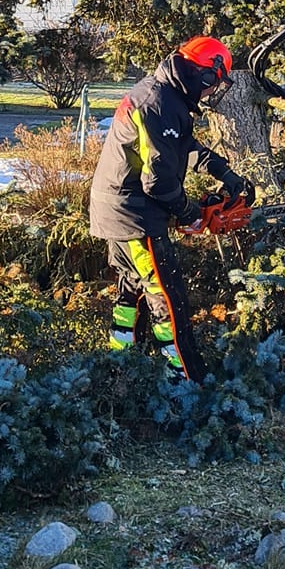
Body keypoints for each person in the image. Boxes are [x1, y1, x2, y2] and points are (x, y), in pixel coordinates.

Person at [88, 36, 253, 382]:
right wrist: (191, 212)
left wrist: (224, 173)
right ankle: (183, 378)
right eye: (214, 85)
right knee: (167, 296)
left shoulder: (164, 94)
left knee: (132, 285)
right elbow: (158, 183)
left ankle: (122, 364)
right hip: (134, 214)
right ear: (204, 76)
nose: (212, 93)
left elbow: (185, 147)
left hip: (119, 208)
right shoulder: (160, 103)